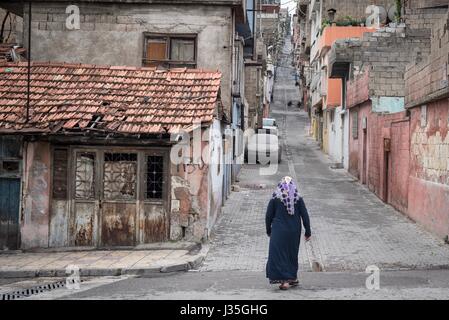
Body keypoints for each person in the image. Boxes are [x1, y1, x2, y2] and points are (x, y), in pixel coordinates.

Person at [265, 176, 312, 290]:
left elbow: (268, 216)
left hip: (279, 231)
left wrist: (268, 230)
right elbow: (305, 215)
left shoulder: (275, 198)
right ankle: (293, 278)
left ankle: (285, 281)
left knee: (279, 254)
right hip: (294, 231)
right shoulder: (298, 198)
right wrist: (308, 231)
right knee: (291, 254)